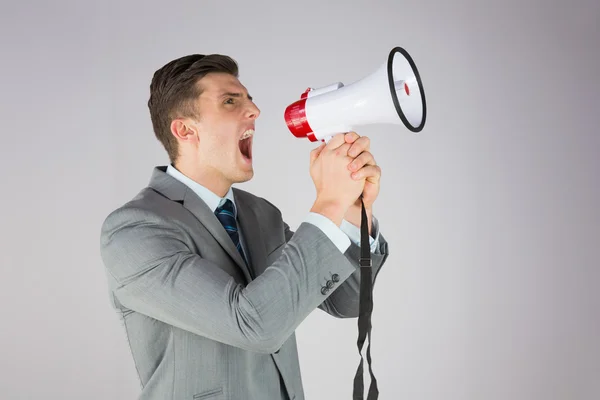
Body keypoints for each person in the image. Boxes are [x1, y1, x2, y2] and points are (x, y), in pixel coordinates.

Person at [99, 53, 389, 400]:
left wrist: (355, 215)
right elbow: (253, 325)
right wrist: (327, 204)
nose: (254, 110)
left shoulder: (259, 213)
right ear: (185, 130)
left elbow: (347, 301)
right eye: (230, 101)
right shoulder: (135, 230)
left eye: (249, 99)